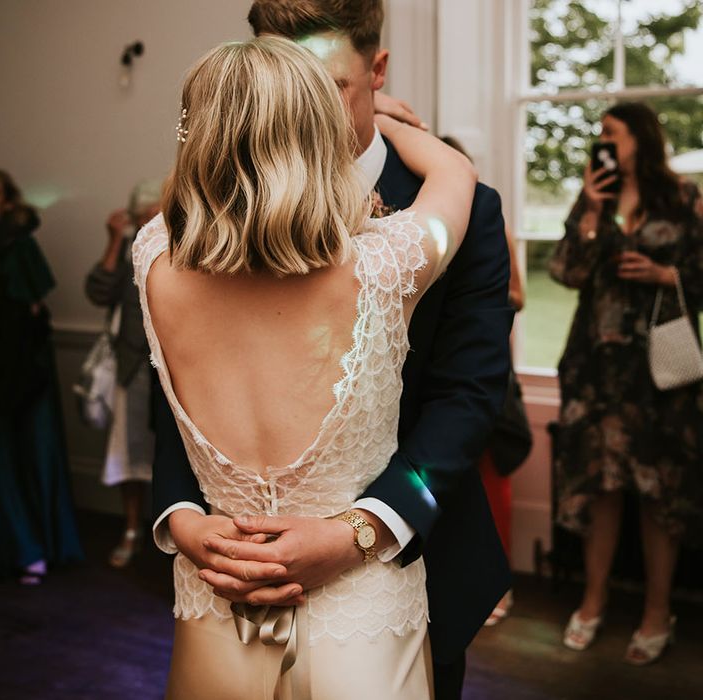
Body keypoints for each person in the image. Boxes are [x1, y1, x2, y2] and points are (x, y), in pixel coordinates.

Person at [150, 3, 513, 698]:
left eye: (325, 88)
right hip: (227, 578)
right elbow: (170, 393)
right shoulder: (193, 230)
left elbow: (466, 399)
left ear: (377, 71)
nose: (300, 114)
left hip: (410, 561)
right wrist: (183, 516)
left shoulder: (471, 212)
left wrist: (363, 530)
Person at [549, 102, 703, 665]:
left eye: (612, 133)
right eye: (600, 134)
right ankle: (593, 602)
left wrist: (669, 275)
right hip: (596, 369)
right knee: (602, 485)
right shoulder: (597, 195)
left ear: (641, 137)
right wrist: (590, 211)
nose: (603, 142)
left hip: (660, 375)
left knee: (659, 493)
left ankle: (658, 611)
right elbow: (566, 272)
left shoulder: (684, 199)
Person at [0, 168, 83, 584]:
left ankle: (38, 549)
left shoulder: (19, 245)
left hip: (26, 365)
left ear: (8, 201)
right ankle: (6, 553)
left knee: (35, 453)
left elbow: (28, 309)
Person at [439, 135, 527, 626]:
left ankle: (499, 584)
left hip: (488, 364)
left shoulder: (491, 222)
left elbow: (518, 294)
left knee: (494, 477)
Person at [85, 181, 161, 568]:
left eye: (159, 212)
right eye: (145, 214)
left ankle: (171, 535)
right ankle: (132, 530)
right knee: (130, 454)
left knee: (173, 458)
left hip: (176, 376)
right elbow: (97, 292)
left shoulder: (185, 246)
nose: (153, 220)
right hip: (132, 369)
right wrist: (114, 240)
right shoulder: (129, 249)